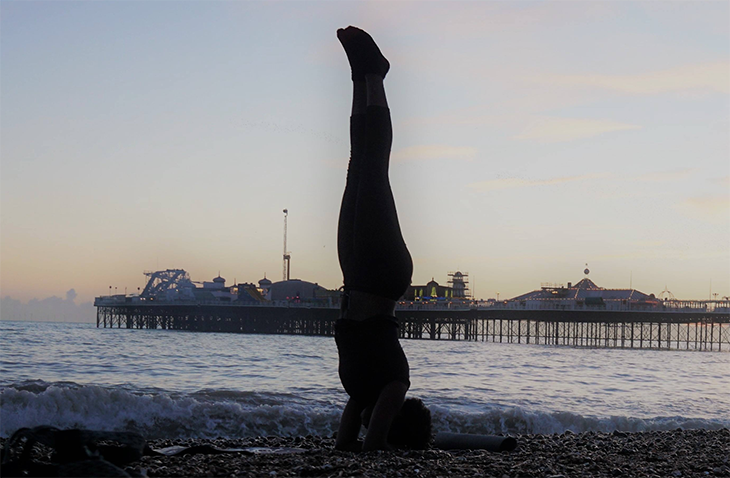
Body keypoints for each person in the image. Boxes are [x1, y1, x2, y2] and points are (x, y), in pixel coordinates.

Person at [334, 26, 431, 452]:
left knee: (357, 165)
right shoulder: (394, 384)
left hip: (356, 275)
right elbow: (369, 450)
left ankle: (360, 78)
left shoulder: (360, 391)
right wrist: (373, 441)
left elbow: (343, 446)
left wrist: (348, 442)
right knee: (374, 167)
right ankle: (376, 74)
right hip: (382, 272)